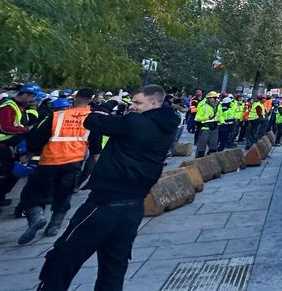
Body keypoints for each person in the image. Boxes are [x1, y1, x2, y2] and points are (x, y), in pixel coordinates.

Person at [38, 84, 178, 291]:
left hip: (104, 204)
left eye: (138, 103)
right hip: (133, 206)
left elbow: (92, 120)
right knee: (113, 265)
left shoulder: (134, 123)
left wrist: (111, 103)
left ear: (155, 102)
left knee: (63, 256)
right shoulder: (166, 127)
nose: (132, 107)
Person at [17, 90, 99, 244]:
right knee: (64, 192)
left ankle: (37, 216)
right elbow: (95, 142)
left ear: (75, 98)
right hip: (74, 161)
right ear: (90, 100)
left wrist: (29, 153)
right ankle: (54, 225)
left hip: (49, 160)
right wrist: (96, 157)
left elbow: (38, 136)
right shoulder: (92, 118)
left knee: (33, 192)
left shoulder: (57, 116)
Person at [193, 91, 219, 158]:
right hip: (205, 128)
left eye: (212, 98)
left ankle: (211, 160)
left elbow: (220, 115)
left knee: (213, 146)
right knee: (201, 146)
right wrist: (207, 118)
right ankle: (198, 160)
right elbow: (197, 118)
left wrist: (222, 122)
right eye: (209, 98)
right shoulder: (203, 106)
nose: (210, 99)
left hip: (214, 128)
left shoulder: (218, 105)